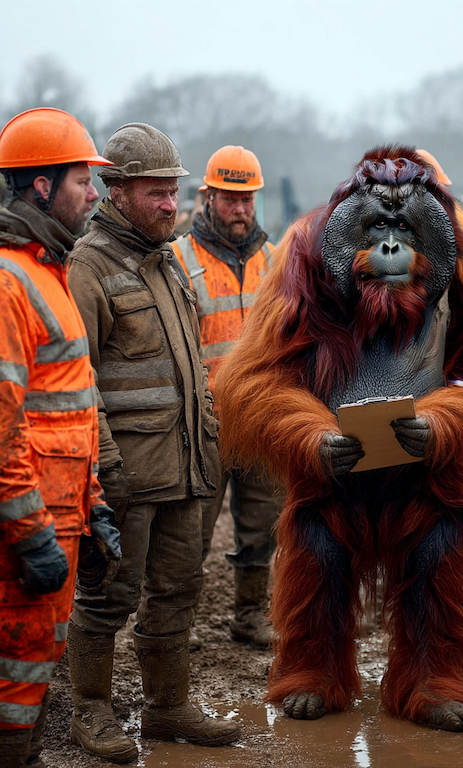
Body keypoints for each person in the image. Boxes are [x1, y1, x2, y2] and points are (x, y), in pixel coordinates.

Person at [66, 123, 240, 762]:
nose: (173, 203)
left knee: (178, 590)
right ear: (116, 190)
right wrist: (106, 469)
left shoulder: (167, 261)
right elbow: (74, 380)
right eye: (157, 193)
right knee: (109, 594)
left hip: (187, 466)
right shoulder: (87, 267)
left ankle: (167, 708)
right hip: (128, 475)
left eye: (174, 191)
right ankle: (91, 710)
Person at [0, 108, 120, 768]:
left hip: (60, 516)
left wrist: (92, 507)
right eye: (83, 180)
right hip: (25, 529)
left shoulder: (50, 270)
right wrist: (30, 532)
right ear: (41, 186)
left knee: (40, 659)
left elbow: (71, 411)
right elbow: (3, 428)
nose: (95, 194)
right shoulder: (9, 280)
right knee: (14, 674)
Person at [171, 145, 280, 649]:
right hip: (203, 423)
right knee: (191, 530)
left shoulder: (277, 261)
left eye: (248, 198)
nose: (241, 208)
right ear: (209, 196)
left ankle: (249, 615)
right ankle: (177, 620)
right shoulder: (177, 259)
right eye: (231, 197)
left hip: (260, 421)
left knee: (263, 526)